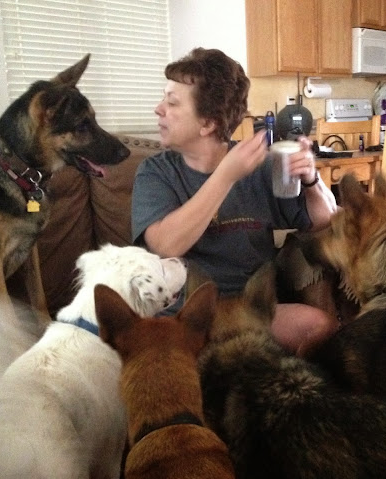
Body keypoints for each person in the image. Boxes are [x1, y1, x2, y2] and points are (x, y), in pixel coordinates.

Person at [131, 47, 338, 354]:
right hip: (187, 315)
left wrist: (310, 179)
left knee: (321, 327)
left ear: (208, 123)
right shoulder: (156, 172)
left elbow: (324, 219)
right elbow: (166, 245)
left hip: (251, 309)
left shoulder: (261, 165)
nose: (158, 109)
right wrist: (226, 176)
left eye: (171, 102)